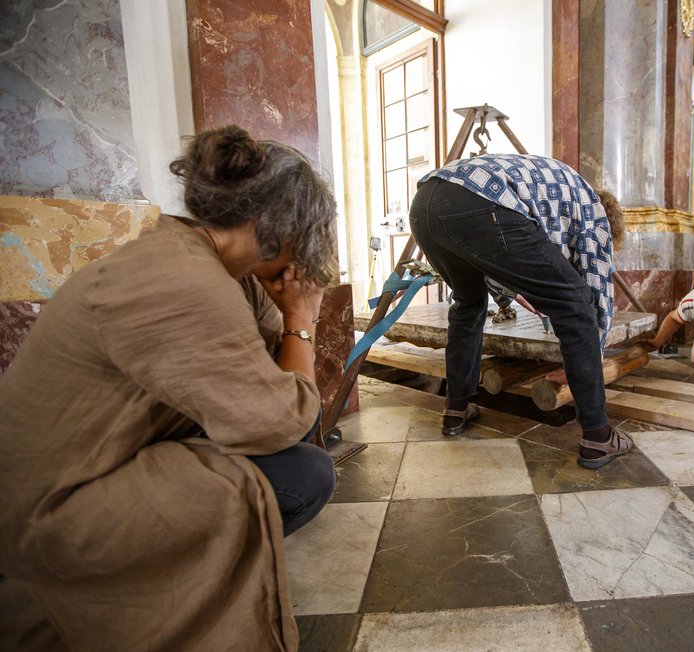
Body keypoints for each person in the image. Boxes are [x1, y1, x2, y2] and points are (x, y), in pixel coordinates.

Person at [0, 125, 338, 650]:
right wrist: (301, 316)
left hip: (75, 476)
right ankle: (123, 598)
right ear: (279, 227)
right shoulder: (186, 281)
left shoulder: (202, 261)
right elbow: (279, 422)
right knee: (303, 473)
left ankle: (192, 571)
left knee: (299, 453)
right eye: (304, 238)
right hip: (51, 515)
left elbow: (282, 386)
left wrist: (286, 318)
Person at [409, 153, 631, 469]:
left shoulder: (555, 200)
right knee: (578, 305)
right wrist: (586, 351)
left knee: (468, 303)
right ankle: (598, 436)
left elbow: (499, 256)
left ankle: (456, 408)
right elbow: (595, 297)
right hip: (479, 202)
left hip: (426, 204)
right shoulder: (594, 215)